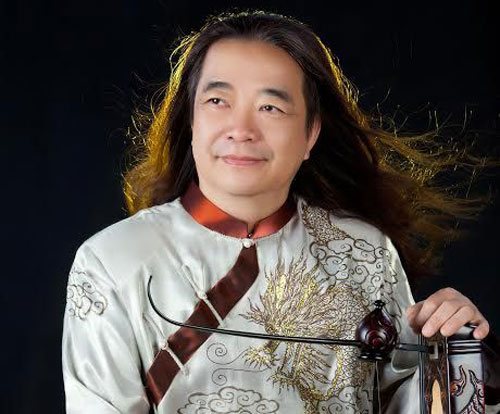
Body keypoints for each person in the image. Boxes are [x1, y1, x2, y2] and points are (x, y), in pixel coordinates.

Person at [62, 10, 498, 414]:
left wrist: (463, 352)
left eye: (270, 107)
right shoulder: (113, 261)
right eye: (217, 101)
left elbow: (415, 399)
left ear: (311, 134)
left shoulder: (364, 250)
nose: (241, 130)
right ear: (190, 121)